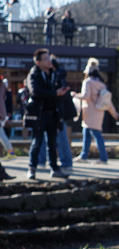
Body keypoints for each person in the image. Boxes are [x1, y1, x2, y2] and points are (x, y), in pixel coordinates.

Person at [25, 48, 70, 179]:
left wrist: (61, 92)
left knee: (52, 143)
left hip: (53, 113)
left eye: (49, 58)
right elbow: (35, 92)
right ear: (38, 62)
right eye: (45, 59)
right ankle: (32, 168)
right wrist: (55, 93)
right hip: (39, 113)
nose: (49, 61)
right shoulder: (34, 74)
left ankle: (55, 168)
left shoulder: (54, 74)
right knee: (37, 141)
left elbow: (62, 80)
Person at [72, 58, 119, 165]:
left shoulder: (88, 82)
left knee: (96, 135)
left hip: (89, 112)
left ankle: (103, 158)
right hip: (99, 112)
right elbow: (108, 102)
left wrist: (75, 95)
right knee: (87, 134)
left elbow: (86, 96)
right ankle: (84, 155)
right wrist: (114, 113)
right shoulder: (102, 84)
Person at [37, 55, 75, 174]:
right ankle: (42, 160)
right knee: (47, 138)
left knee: (59, 136)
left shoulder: (56, 76)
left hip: (57, 111)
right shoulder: (49, 76)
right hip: (52, 110)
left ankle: (65, 162)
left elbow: (61, 95)